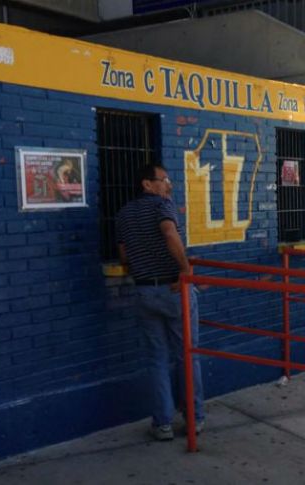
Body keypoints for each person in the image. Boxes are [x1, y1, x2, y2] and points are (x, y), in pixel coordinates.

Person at [116, 164, 205, 441]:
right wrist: (185, 269)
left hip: (144, 292)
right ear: (147, 184)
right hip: (173, 288)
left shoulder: (123, 214)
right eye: (164, 180)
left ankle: (163, 423)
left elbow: (123, 255)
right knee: (187, 354)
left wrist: (143, 267)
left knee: (156, 359)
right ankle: (194, 417)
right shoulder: (162, 206)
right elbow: (169, 232)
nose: (169, 185)